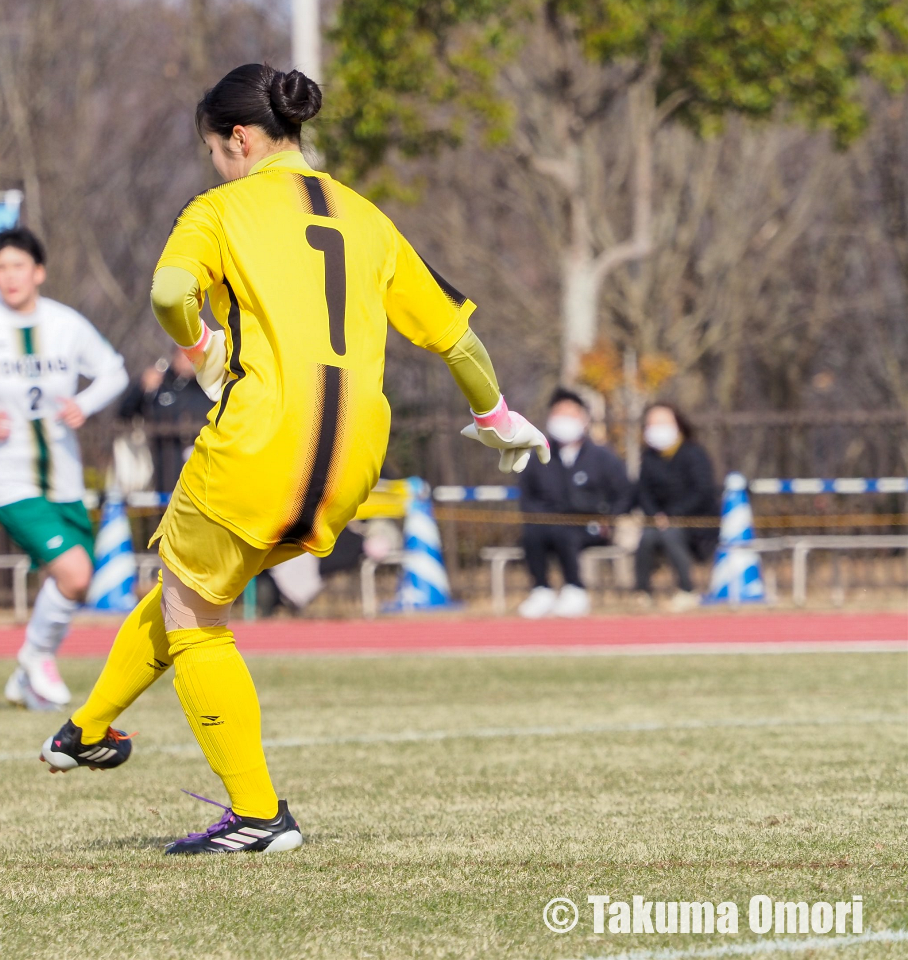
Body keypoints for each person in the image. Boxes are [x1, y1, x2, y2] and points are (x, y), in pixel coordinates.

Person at [37, 63, 548, 855]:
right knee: (190, 583)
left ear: (238, 139)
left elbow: (171, 294)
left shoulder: (218, 210)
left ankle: (257, 816)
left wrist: (201, 344)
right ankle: (87, 729)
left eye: (213, 149)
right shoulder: (368, 217)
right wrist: (497, 415)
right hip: (353, 456)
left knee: (196, 616)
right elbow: (456, 335)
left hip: (260, 439)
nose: (213, 163)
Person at [0, 226, 129, 708]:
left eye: (18, 266)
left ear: (38, 272)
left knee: (69, 582)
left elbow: (113, 370)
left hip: (64, 475)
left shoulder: (65, 324)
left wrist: (85, 402)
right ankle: (36, 658)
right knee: (76, 574)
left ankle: (26, 678)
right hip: (9, 478)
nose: (9, 277)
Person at [516, 389, 632, 618]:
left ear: (584, 419)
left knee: (566, 534)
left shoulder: (603, 457)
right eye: (559, 414)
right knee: (531, 534)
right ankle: (541, 589)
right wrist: (540, 517)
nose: (564, 421)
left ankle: (575, 588)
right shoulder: (538, 456)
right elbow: (527, 496)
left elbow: (623, 493)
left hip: (589, 525)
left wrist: (609, 517)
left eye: (571, 415)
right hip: (546, 524)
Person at [634, 402, 719, 611]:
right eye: (652, 423)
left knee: (671, 535)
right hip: (660, 522)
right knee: (647, 537)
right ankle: (642, 592)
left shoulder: (694, 453)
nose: (657, 428)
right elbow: (642, 492)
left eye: (663, 422)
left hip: (696, 523)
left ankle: (687, 589)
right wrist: (655, 515)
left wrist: (674, 514)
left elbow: (702, 491)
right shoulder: (648, 458)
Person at [118, 350, 215, 494]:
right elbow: (124, 413)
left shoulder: (213, 386)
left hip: (207, 474)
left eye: (194, 353)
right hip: (165, 473)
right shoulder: (161, 384)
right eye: (184, 353)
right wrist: (141, 387)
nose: (189, 359)